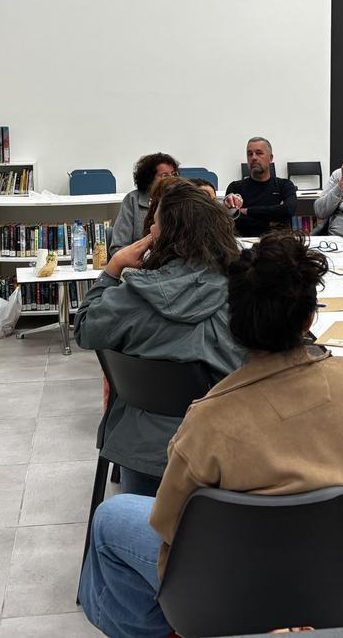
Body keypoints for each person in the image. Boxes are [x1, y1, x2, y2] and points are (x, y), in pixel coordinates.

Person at [78, 232, 343, 637]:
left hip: (231, 593)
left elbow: (170, 526)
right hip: (340, 585)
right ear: (310, 318)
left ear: (233, 321)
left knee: (109, 518)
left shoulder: (209, 419)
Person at [74, 179, 246, 497]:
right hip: (228, 458)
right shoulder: (244, 294)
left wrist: (112, 269)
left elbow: (85, 327)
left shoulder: (132, 297)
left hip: (143, 455)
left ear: (162, 235)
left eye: (154, 222)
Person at [223, 137, 297, 237]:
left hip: (277, 244)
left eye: (259, 153)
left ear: (270, 158)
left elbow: (288, 210)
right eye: (250, 154)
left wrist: (247, 211)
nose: (253, 158)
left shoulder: (284, 185)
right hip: (245, 243)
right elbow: (235, 219)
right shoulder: (235, 187)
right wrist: (272, 219)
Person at [109, 153, 178, 256]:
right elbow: (118, 248)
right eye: (165, 175)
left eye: (174, 174)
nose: (172, 179)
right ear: (150, 179)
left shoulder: (181, 200)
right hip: (140, 264)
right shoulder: (133, 200)